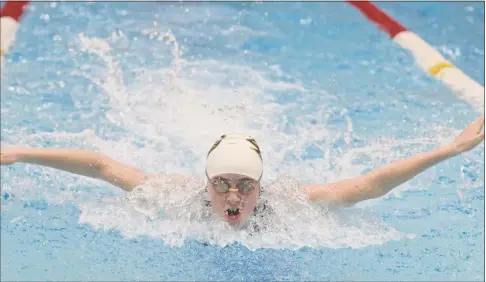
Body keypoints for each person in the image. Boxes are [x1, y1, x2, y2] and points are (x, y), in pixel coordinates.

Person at [1, 116, 484, 228]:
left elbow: (371, 184)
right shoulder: (174, 196)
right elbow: (102, 165)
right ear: (205, 182)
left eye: (245, 185)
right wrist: (19, 153)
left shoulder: (291, 202)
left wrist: (452, 149)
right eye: (222, 184)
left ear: (261, 185)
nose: (233, 196)